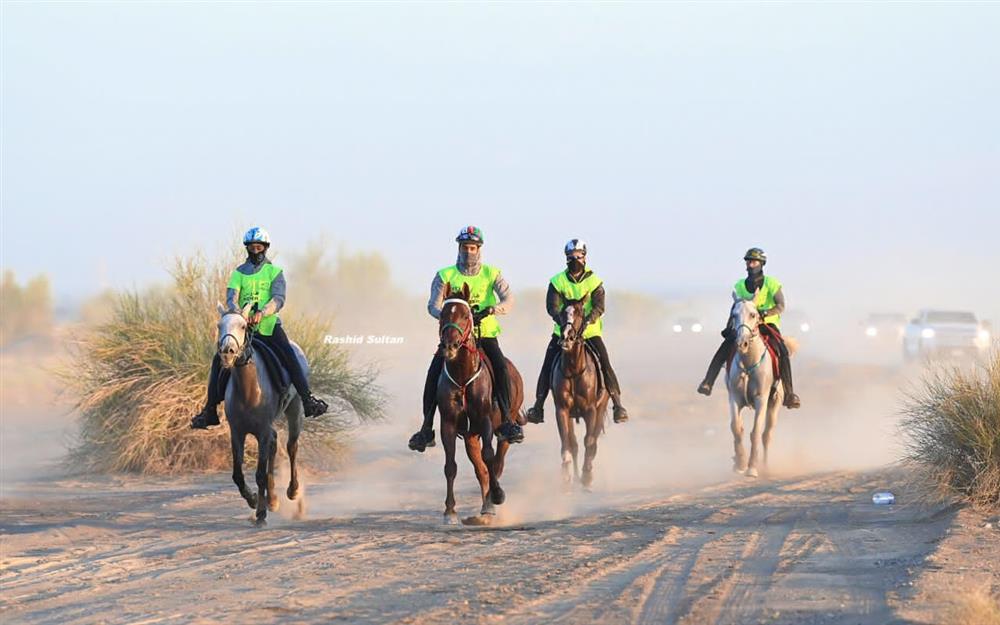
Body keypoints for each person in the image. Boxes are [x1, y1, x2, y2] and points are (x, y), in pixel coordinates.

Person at [190, 227, 329, 429]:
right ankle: (209, 410)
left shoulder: (275, 272)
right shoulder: (238, 273)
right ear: (247, 249)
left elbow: (279, 298)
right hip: (243, 329)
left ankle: (307, 400)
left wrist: (262, 313)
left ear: (265, 248)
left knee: (290, 355)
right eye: (252, 247)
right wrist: (237, 312)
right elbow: (231, 296)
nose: (255, 251)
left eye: (259, 247)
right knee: (218, 360)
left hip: (269, 327)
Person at [408, 226, 525, 452]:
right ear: (459, 248)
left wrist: (492, 310)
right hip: (454, 339)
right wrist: (449, 316)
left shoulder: (492, 273)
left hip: (485, 335)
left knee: (500, 367)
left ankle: (508, 422)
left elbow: (509, 299)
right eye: (465, 247)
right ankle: (426, 428)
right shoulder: (445, 275)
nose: (468, 252)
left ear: (479, 249)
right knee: (433, 373)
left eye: (473, 247)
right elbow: (433, 305)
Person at [525, 239, 629, 424]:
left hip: (589, 334)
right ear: (566, 259)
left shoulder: (594, 282)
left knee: (604, 363)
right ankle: (538, 406)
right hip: (562, 334)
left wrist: (588, 320)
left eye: (578, 256)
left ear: (585, 257)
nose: (575, 260)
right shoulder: (557, 282)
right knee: (547, 365)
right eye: (571, 257)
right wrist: (564, 324)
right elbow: (552, 307)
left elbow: (599, 307)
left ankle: (617, 405)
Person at [696, 247, 801, 409]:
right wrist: (729, 326)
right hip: (744, 325)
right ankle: (708, 382)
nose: (750, 264)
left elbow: (781, 306)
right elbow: (736, 308)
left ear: (761, 264)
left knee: (782, 350)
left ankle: (789, 393)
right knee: (724, 348)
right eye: (748, 261)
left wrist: (764, 313)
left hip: (767, 324)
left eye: (754, 261)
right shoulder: (739, 285)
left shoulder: (772, 283)